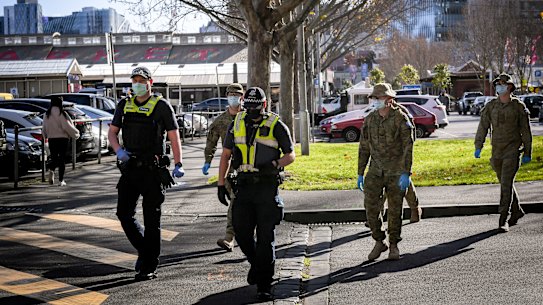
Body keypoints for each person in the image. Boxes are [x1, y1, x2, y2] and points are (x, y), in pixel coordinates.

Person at [217, 87, 295, 300]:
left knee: (265, 238)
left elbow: (291, 155)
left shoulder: (276, 124)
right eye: (249, 106)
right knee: (241, 234)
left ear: (265, 105)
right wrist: (220, 182)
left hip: (267, 188)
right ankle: (258, 265)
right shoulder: (237, 123)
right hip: (244, 187)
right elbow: (226, 154)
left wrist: (275, 164)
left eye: (256, 106)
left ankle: (264, 285)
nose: (252, 110)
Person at [108, 66, 185, 281]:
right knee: (124, 214)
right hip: (130, 169)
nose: (138, 84)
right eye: (135, 80)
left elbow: (173, 135)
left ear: (150, 82)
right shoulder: (125, 104)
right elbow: (112, 132)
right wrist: (119, 150)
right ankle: (145, 251)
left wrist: (178, 163)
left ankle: (149, 265)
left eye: (142, 80)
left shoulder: (161, 106)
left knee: (152, 221)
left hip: (152, 171)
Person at [357, 83, 414, 261]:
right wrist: (360, 172)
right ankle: (379, 241)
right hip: (375, 169)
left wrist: (406, 172)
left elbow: (408, 147)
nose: (375, 101)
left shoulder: (400, 118)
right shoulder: (370, 119)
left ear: (389, 100)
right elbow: (364, 146)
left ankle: (394, 245)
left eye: (379, 98)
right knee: (370, 207)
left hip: (396, 170)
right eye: (374, 98)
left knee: (395, 210)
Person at [474, 73, 532, 233]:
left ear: (510, 87)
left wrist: (527, 151)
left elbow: (526, 131)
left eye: (502, 84)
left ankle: (503, 219)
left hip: (512, 151)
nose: (499, 87)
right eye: (497, 84)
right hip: (496, 152)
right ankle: (517, 210)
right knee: (506, 184)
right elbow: (483, 126)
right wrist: (478, 145)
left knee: (506, 184)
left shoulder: (518, 107)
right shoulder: (491, 106)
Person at [202, 83, 244, 252]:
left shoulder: (249, 117)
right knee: (234, 199)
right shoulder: (220, 121)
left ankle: (250, 234)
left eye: (237, 94)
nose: (234, 98)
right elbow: (211, 142)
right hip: (231, 167)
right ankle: (229, 237)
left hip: (251, 165)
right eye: (231, 94)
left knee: (249, 202)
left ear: (242, 96)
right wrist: (207, 161)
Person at [42, 96, 80, 186]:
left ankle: (51, 169)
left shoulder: (47, 114)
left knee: (54, 157)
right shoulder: (62, 113)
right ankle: (61, 180)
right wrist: (76, 134)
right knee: (62, 159)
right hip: (62, 139)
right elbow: (67, 126)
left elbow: (44, 128)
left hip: (52, 138)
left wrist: (45, 136)